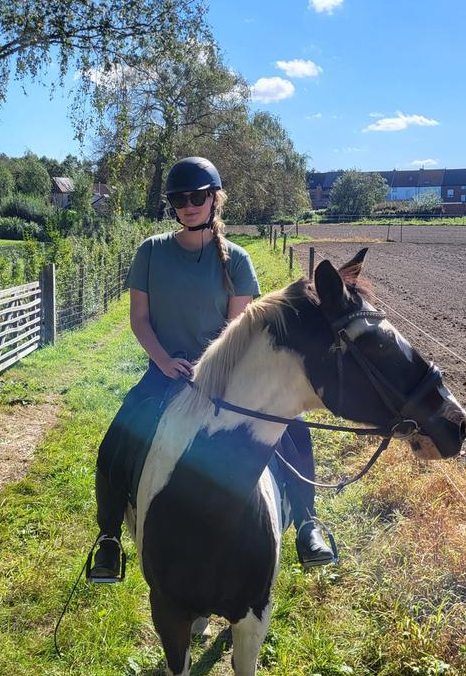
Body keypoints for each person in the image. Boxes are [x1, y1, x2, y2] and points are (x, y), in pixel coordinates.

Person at [88, 156, 335, 582]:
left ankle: (309, 521)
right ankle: (109, 539)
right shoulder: (150, 252)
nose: (189, 204)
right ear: (172, 205)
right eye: (180, 198)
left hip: (222, 375)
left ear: (214, 199)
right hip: (166, 371)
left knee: (293, 426)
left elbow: (237, 332)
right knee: (116, 439)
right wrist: (163, 361)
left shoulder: (236, 260)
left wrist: (209, 370)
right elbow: (140, 319)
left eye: (197, 196)